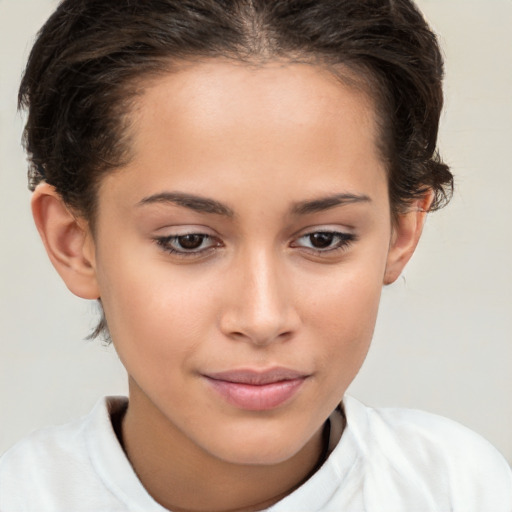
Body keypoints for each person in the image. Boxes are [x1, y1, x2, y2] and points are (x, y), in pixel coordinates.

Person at [0, 0, 510, 510]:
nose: (262, 319)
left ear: (401, 232)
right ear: (75, 242)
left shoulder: (459, 489)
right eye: (189, 240)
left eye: (323, 239)